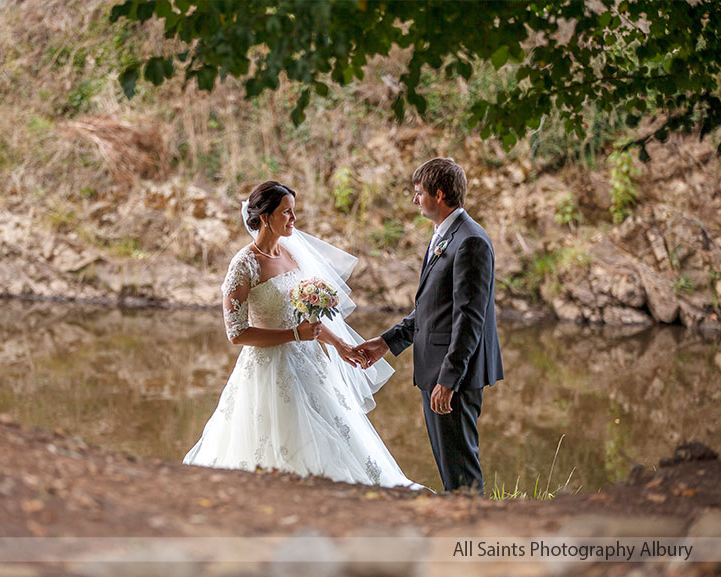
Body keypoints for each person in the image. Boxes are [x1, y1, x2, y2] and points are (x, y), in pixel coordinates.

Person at [184, 181, 419, 489]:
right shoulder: (244, 265)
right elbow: (237, 334)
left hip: (309, 364)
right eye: (287, 212)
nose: (293, 219)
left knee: (334, 435)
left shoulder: (291, 253)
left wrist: (340, 346)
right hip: (268, 369)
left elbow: (309, 320)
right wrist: (295, 334)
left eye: (293, 212)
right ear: (266, 217)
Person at [356, 158, 503, 493]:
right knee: (450, 467)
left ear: (439, 194)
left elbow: (469, 319)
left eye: (418, 192)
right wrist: (385, 343)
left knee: (462, 470)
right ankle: (461, 526)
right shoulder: (445, 236)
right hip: (436, 370)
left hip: (453, 377)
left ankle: (471, 533)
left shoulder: (470, 241)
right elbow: (431, 310)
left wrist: (449, 379)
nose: (414, 200)